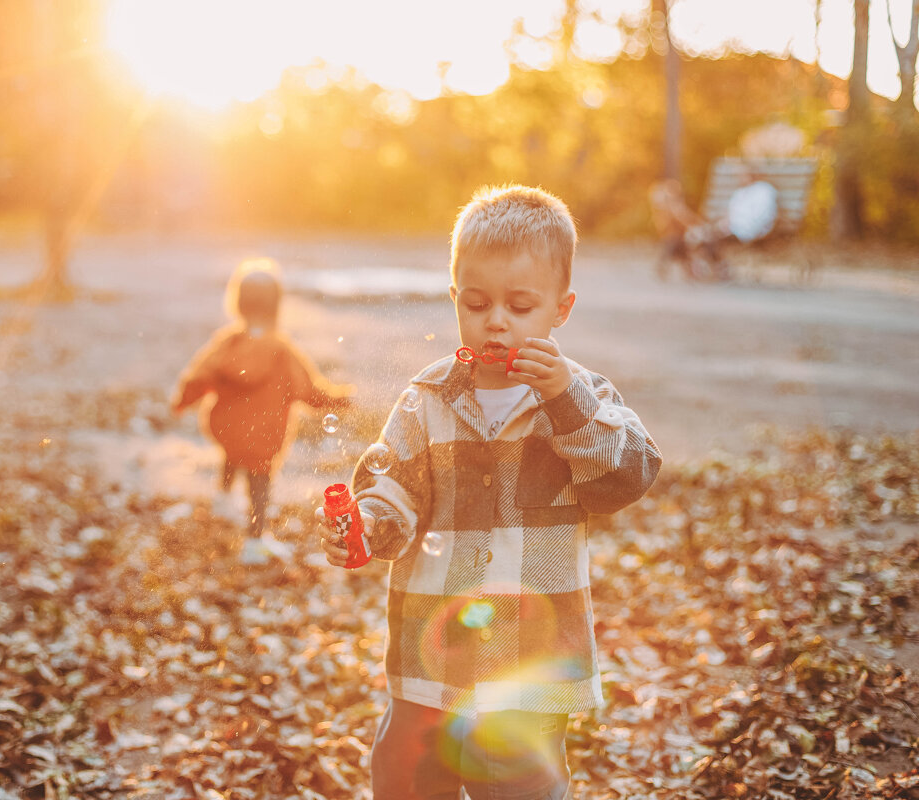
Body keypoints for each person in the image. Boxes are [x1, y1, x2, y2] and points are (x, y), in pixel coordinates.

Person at [317, 185, 661, 799]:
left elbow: (625, 479)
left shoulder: (584, 399)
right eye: (477, 303)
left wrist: (567, 404)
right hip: (430, 657)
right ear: (455, 299)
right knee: (406, 778)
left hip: (529, 666)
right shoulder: (426, 399)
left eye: (520, 306)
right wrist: (365, 528)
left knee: (520, 785)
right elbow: (392, 488)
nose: (496, 320)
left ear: (561, 309)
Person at [173, 258, 354, 565]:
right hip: (263, 436)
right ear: (276, 306)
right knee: (259, 481)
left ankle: (223, 498)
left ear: (238, 303)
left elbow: (200, 374)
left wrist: (183, 400)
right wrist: (339, 399)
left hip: (227, 429)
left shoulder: (229, 343)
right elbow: (309, 390)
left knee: (233, 452)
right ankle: (255, 541)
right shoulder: (281, 350)